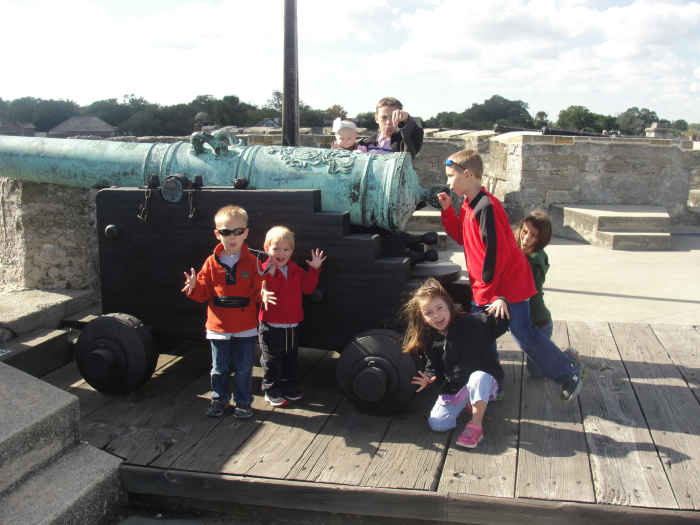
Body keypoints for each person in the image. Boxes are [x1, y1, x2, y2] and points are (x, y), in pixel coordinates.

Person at [437, 150, 584, 401]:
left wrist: (493, 294)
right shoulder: (470, 204)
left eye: (452, 176)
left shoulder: (486, 207)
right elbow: (464, 237)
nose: (449, 182)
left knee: (523, 333)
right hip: (487, 287)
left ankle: (568, 372)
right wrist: (448, 211)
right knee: (482, 337)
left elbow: (495, 253)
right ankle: (493, 383)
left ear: (469, 174)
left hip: (505, 286)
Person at [181, 205, 275, 418]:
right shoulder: (211, 263)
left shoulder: (252, 262)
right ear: (217, 234)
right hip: (219, 327)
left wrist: (264, 295)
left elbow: (258, 289)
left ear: (246, 233)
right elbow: (203, 294)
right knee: (219, 368)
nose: (232, 236)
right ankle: (219, 399)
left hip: (245, 327)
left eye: (238, 231)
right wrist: (195, 286)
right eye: (225, 232)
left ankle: (243, 402)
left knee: (243, 370)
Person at [403, 278, 509, 449]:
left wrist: (501, 301)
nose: (436, 315)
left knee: (478, 377)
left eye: (439, 308)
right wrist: (429, 378)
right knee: (438, 424)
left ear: (448, 306)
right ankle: (470, 401)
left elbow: (499, 323)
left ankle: (476, 426)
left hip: (485, 380)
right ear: (422, 317)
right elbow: (433, 366)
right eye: (428, 312)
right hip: (457, 386)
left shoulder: (471, 323)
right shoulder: (430, 338)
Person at [258, 226, 327, 407]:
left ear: (292, 251)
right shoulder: (264, 271)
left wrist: (314, 270)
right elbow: (254, 289)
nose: (281, 253)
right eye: (276, 249)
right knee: (271, 359)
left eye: (286, 249)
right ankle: (270, 389)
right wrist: (261, 294)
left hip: (292, 324)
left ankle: (289, 386)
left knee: (290, 357)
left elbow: (308, 288)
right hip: (271, 324)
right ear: (267, 248)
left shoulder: (295, 270)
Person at [516, 210, 553, 377]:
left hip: (539, 322)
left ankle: (570, 357)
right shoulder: (521, 251)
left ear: (541, 240)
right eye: (524, 232)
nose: (526, 238)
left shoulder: (535, 261)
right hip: (524, 322)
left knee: (537, 372)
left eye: (533, 235)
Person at [357, 96, 423, 159]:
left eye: (393, 117)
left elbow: (416, 133)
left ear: (400, 119)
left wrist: (407, 119)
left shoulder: (404, 143)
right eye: (384, 117)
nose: (388, 122)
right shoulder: (365, 144)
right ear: (376, 118)